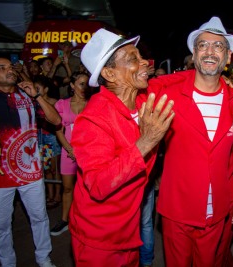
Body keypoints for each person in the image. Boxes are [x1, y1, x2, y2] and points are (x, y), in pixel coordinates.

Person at [68, 28, 175, 266]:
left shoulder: (141, 99)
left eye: (140, 56)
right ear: (109, 73)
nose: (144, 62)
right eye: (133, 59)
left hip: (128, 230)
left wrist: (215, 78)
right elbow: (97, 185)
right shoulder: (92, 120)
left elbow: (172, 81)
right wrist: (146, 141)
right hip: (99, 240)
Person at [149, 16, 233, 266]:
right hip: (177, 208)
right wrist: (181, 77)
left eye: (218, 47)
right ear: (193, 54)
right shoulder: (170, 94)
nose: (210, 52)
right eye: (203, 45)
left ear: (227, 58)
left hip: (216, 209)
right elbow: (146, 85)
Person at [0, 57, 61, 267]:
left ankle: (43, 257)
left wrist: (37, 95)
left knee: (39, 218)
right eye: (0, 68)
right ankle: (7, 262)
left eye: (9, 67)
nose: (8, 70)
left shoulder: (27, 95)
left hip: (30, 173)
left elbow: (56, 121)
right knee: (1, 226)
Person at [49, 71, 90, 236]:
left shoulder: (93, 103)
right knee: (67, 188)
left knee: (88, 188)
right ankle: (65, 220)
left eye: (87, 84)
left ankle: (84, 221)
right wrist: (70, 149)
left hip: (89, 153)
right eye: (81, 84)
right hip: (69, 151)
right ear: (72, 86)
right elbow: (58, 130)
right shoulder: (62, 104)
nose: (84, 87)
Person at [33, 75, 62, 209]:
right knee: (46, 169)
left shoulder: (54, 102)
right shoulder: (34, 103)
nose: (35, 90)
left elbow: (58, 122)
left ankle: (57, 195)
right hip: (41, 139)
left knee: (54, 168)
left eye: (38, 88)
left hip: (52, 138)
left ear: (45, 89)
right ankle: (50, 195)